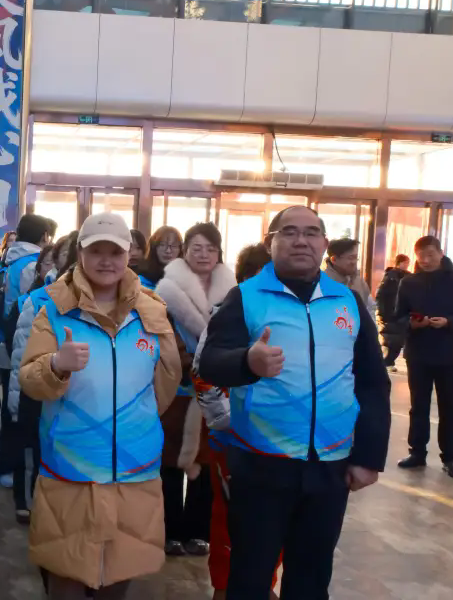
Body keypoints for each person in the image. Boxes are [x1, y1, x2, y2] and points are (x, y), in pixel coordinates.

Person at [196, 205, 391, 600]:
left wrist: (369, 456)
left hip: (330, 465)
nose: (301, 241)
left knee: (311, 577)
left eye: (311, 232)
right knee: (250, 576)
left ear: (324, 243)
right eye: (289, 232)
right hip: (261, 464)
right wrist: (246, 362)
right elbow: (210, 363)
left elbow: (372, 382)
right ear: (271, 242)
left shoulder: (347, 301)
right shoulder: (245, 297)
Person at [18, 212, 181, 600]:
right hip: (72, 467)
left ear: (129, 255)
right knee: (67, 572)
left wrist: (136, 423)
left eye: (115, 252)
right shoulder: (53, 308)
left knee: (121, 571)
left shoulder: (152, 309)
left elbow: (166, 381)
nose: (106, 261)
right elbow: (30, 380)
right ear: (80, 253)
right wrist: (56, 365)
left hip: (135, 466)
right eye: (96, 251)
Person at [192, 243, 280, 600]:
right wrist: (229, 422)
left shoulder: (293, 317)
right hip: (233, 442)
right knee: (230, 521)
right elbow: (203, 374)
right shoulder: (226, 316)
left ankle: (264, 584)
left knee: (275, 521)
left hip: (281, 441)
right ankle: (226, 587)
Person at [154, 222, 235, 558]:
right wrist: (187, 362)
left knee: (207, 460)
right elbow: (161, 333)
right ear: (185, 251)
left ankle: (198, 531)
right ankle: (170, 531)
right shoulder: (165, 290)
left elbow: (236, 335)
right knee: (170, 460)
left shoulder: (232, 291)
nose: (203, 255)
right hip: (177, 384)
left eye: (210, 249)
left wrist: (216, 365)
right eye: (196, 248)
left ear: (219, 253)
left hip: (215, 388)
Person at [394, 235, 453, 479]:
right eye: (420, 255)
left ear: (441, 253)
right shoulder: (409, 282)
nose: (425, 260)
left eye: (430, 255)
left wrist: (449, 322)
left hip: (450, 353)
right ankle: (417, 452)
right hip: (419, 354)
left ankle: (450, 458)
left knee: (449, 407)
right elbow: (398, 316)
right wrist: (413, 324)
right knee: (418, 406)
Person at [0, 214, 56, 488]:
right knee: (19, 413)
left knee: (11, 410)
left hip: (6, 340)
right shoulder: (32, 264)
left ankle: (7, 466)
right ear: (43, 236)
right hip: (23, 341)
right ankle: (10, 470)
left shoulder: (8, 259)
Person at [323, 237, 376, 318]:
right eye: (351, 258)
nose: (354, 262)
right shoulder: (322, 283)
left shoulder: (359, 282)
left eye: (356, 257)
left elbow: (370, 309)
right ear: (334, 259)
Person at [376, 254, 411, 372]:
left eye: (408, 262)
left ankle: (387, 362)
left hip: (402, 314)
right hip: (389, 313)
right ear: (399, 263)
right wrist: (381, 312)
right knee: (390, 341)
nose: (407, 265)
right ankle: (387, 362)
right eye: (405, 262)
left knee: (398, 341)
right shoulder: (390, 276)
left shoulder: (408, 276)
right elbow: (380, 295)